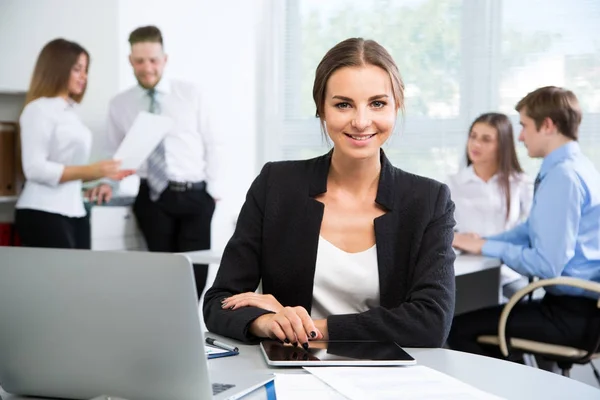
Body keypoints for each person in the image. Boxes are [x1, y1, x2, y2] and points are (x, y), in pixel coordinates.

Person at [203, 38, 456, 348]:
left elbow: (431, 322)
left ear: (396, 106)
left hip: (393, 379)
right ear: (321, 109)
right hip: (292, 375)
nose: (361, 121)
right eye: (343, 104)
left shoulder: (429, 200)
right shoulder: (276, 185)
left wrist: (306, 329)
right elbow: (218, 303)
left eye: (377, 103)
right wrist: (266, 322)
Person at [449, 86, 600, 360]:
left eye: (525, 126)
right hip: (581, 309)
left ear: (548, 126)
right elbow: (532, 229)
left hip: (572, 314)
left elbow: (547, 265)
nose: (520, 136)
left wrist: (486, 248)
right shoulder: (579, 166)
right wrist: (483, 243)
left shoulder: (563, 176)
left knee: (457, 329)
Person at [87, 26, 224, 300]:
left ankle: (190, 338)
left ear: (165, 59)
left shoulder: (190, 94)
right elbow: (115, 152)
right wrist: (106, 183)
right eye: (139, 61)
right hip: (151, 198)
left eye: (153, 60)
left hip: (195, 196)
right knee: (160, 276)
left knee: (194, 279)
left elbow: (214, 142)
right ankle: (164, 338)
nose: (147, 68)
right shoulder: (120, 104)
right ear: (130, 61)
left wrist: (212, 190)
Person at [15, 38, 133, 249]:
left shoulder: (71, 112)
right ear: (58, 68)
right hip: (43, 211)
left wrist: (100, 176)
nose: (84, 77)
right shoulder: (38, 109)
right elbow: (34, 168)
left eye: (86, 70)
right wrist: (92, 171)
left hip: (75, 210)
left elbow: (72, 166)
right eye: (77, 69)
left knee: (80, 279)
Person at [447, 112, 533, 298]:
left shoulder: (520, 183)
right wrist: (458, 238)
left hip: (510, 274)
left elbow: (535, 231)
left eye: (486, 139)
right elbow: (437, 232)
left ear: (502, 145)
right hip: (465, 272)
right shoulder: (451, 184)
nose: (476, 144)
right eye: (473, 136)